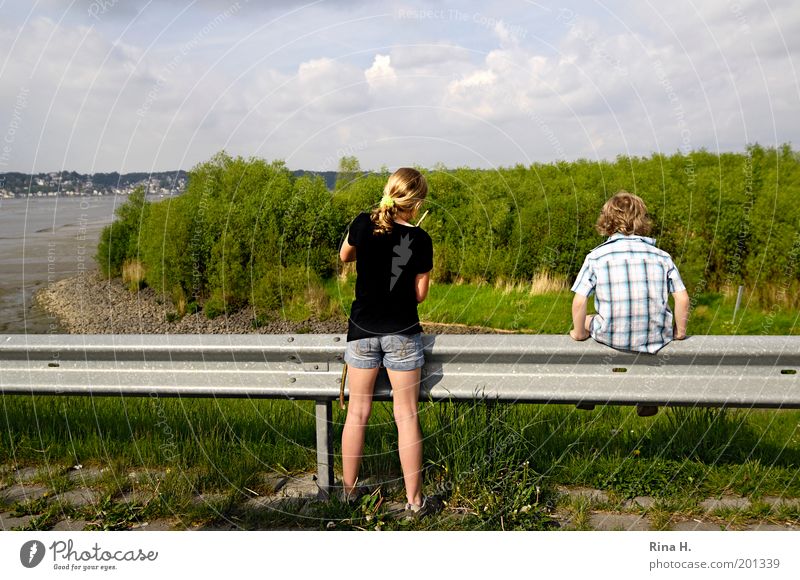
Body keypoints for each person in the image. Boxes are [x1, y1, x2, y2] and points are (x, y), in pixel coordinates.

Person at [339, 167, 434, 516]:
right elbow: (420, 295)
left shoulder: (364, 223)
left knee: (358, 413)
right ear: (417, 201)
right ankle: (414, 502)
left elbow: (345, 256)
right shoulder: (420, 239)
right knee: (406, 414)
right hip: (402, 331)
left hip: (362, 331)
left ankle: (348, 493)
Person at [569, 190, 690, 417]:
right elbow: (682, 298)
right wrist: (679, 332)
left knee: (584, 322)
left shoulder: (596, 257)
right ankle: (645, 396)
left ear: (607, 222)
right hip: (655, 335)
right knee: (644, 328)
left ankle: (589, 391)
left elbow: (579, 301)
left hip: (612, 334)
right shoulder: (662, 256)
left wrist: (578, 333)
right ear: (642, 220)